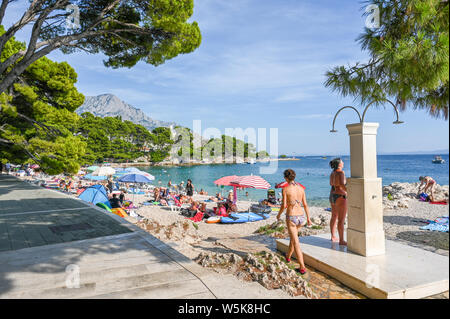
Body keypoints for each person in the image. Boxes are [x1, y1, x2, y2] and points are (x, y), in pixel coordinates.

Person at [277, 169, 311, 275]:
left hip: (291, 217)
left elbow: (284, 205)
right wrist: (308, 219)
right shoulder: (301, 189)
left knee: (296, 242)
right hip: (301, 217)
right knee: (293, 238)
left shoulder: (285, 189)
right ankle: (287, 257)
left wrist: (278, 215)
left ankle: (302, 267)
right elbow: (305, 204)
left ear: (286, 178)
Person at [329, 158, 347, 246]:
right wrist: (348, 191)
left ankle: (333, 236)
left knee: (334, 216)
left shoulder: (332, 173)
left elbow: (332, 184)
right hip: (340, 196)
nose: (343, 162)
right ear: (339, 164)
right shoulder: (341, 173)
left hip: (332, 195)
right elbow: (342, 184)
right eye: (342, 161)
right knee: (341, 220)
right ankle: (341, 240)